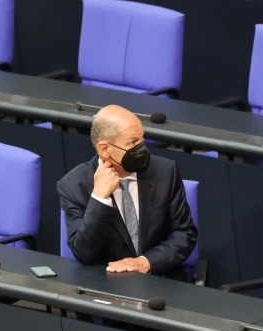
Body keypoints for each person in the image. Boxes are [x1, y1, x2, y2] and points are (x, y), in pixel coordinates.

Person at [57, 105, 197, 282]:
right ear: (105, 149)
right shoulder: (73, 186)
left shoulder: (166, 171)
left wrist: (146, 262)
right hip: (108, 284)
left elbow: (184, 234)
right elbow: (85, 253)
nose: (142, 149)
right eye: (132, 143)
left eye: (142, 140)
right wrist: (99, 198)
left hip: (162, 279)